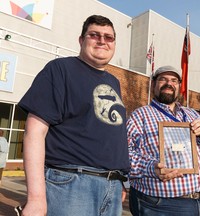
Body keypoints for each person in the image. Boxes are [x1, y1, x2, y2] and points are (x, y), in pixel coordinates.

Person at [18, 15, 130, 216]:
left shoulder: (114, 81)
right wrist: (36, 198)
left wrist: (120, 180)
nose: (102, 41)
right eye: (94, 35)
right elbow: (34, 133)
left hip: (112, 188)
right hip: (71, 185)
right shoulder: (60, 69)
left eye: (108, 37)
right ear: (81, 40)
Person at [127, 65, 200, 216]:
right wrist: (151, 168)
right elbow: (124, 155)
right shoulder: (140, 115)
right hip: (163, 205)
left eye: (174, 80)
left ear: (179, 86)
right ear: (153, 84)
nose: (169, 83)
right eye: (163, 79)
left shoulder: (193, 114)